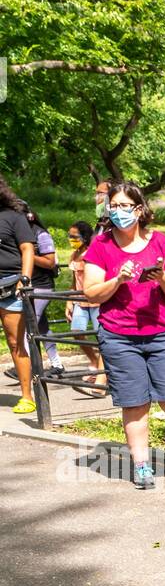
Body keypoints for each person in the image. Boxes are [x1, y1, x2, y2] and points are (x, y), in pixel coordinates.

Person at [80, 180, 165, 488]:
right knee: (135, 404)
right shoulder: (101, 245)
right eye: (115, 206)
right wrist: (117, 281)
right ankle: (141, 466)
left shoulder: (159, 241)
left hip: (163, 333)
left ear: (139, 209)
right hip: (119, 336)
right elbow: (91, 293)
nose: (119, 212)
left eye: (126, 206)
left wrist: (161, 276)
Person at [0, 174, 37, 416]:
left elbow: (27, 248)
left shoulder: (13, 217)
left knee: (15, 342)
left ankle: (27, 396)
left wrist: (25, 279)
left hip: (10, 285)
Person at [65, 221, 107, 388]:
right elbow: (73, 281)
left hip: (96, 300)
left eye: (74, 237)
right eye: (70, 236)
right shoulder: (74, 255)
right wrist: (69, 301)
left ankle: (102, 374)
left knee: (102, 336)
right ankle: (95, 361)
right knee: (77, 332)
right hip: (80, 301)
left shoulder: (93, 254)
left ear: (84, 237)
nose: (71, 239)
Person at [22, 207, 64, 373]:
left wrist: (27, 255)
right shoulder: (19, 235)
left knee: (28, 327)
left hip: (41, 287)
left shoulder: (41, 234)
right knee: (42, 328)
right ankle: (57, 364)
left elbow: (50, 262)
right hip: (28, 287)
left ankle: (26, 368)